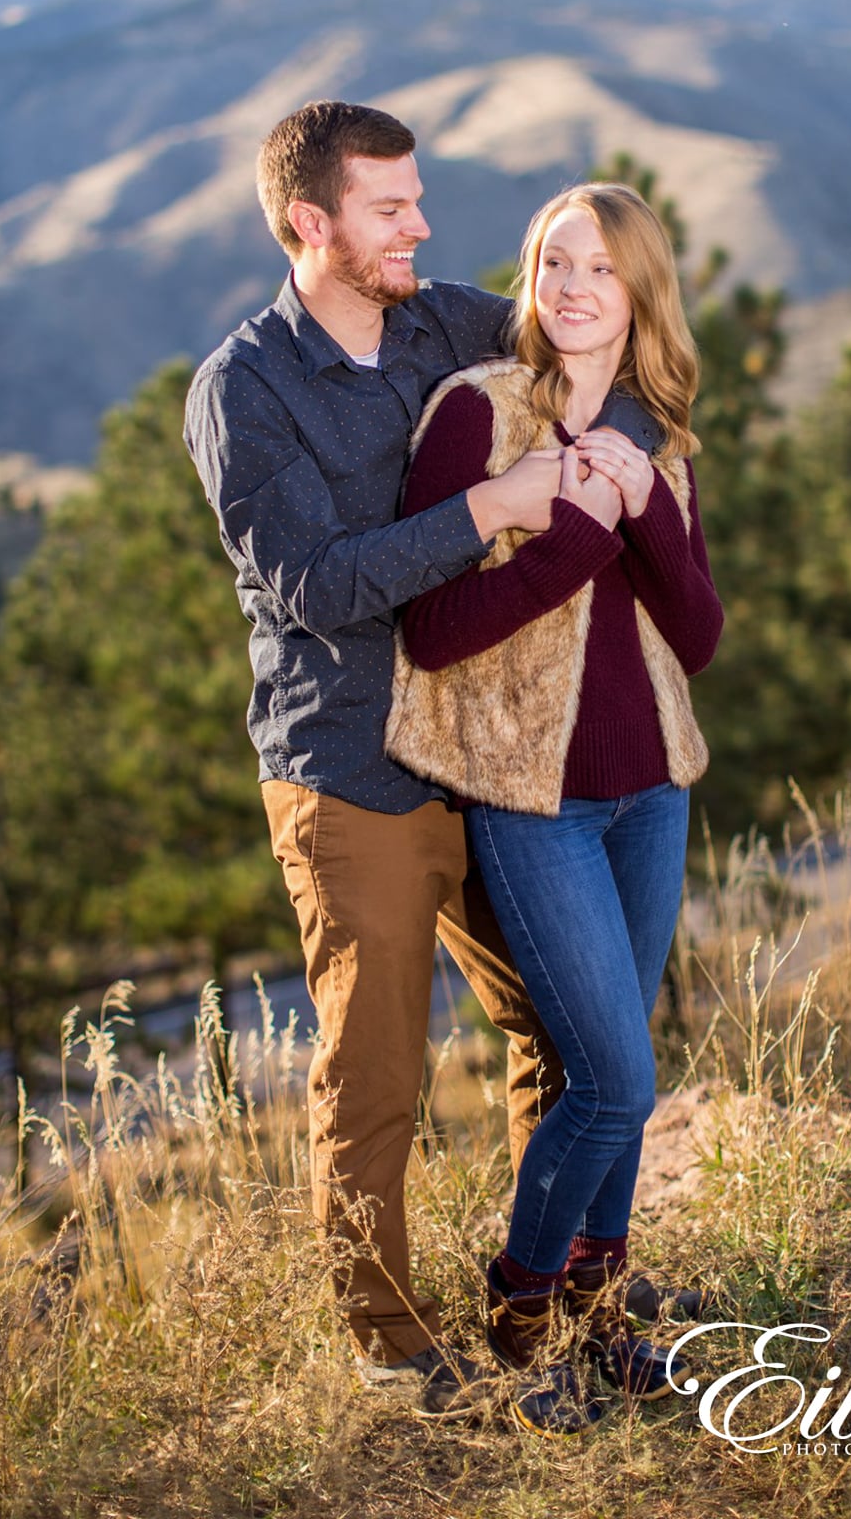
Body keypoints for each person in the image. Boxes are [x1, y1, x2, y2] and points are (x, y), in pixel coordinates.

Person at [184, 99, 572, 1419]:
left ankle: (553, 1290)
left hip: (482, 750)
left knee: (569, 1025)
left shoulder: (443, 322)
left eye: (419, 201)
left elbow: (564, 338)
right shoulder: (243, 389)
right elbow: (312, 585)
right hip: (352, 774)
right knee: (377, 1075)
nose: (421, 225)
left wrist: (600, 270)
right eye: (390, 208)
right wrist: (488, 513)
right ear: (311, 224)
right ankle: (396, 1351)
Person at [388, 182, 724, 1435]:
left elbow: (695, 632)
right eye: (552, 262)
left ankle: (602, 1310)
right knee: (614, 1079)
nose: (572, 287)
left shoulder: (664, 437)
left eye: (600, 269)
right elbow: (431, 629)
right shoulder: (473, 416)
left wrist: (638, 505)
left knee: (618, 1061)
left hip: (652, 794)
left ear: (639, 292)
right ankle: (519, 1315)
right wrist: (575, 530)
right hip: (535, 802)